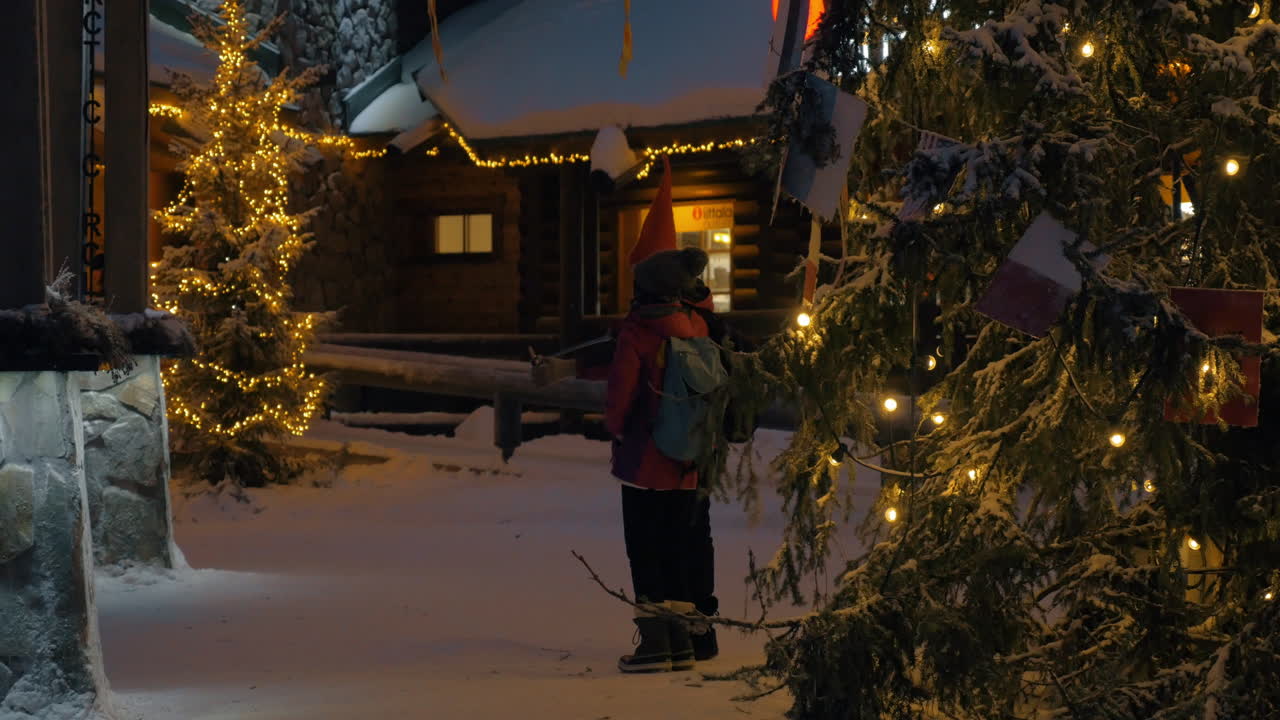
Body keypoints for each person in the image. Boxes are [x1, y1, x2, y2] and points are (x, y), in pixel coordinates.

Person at [606, 246, 721, 673]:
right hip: (689, 459)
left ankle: (657, 644)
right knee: (678, 548)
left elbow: (620, 396)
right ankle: (685, 641)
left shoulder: (638, 332)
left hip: (645, 459)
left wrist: (616, 428)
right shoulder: (696, 326)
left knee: (645, 548)